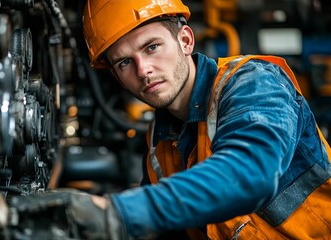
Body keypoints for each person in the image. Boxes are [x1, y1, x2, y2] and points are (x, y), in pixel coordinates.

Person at [39, 0, 331, 239]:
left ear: (185, 40)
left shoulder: (253, 83)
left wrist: (116, 214)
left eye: (151, 47)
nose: (143, 70)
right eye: (125, 62)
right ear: (116, 76)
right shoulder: (159, 142)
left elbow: (251, 173)